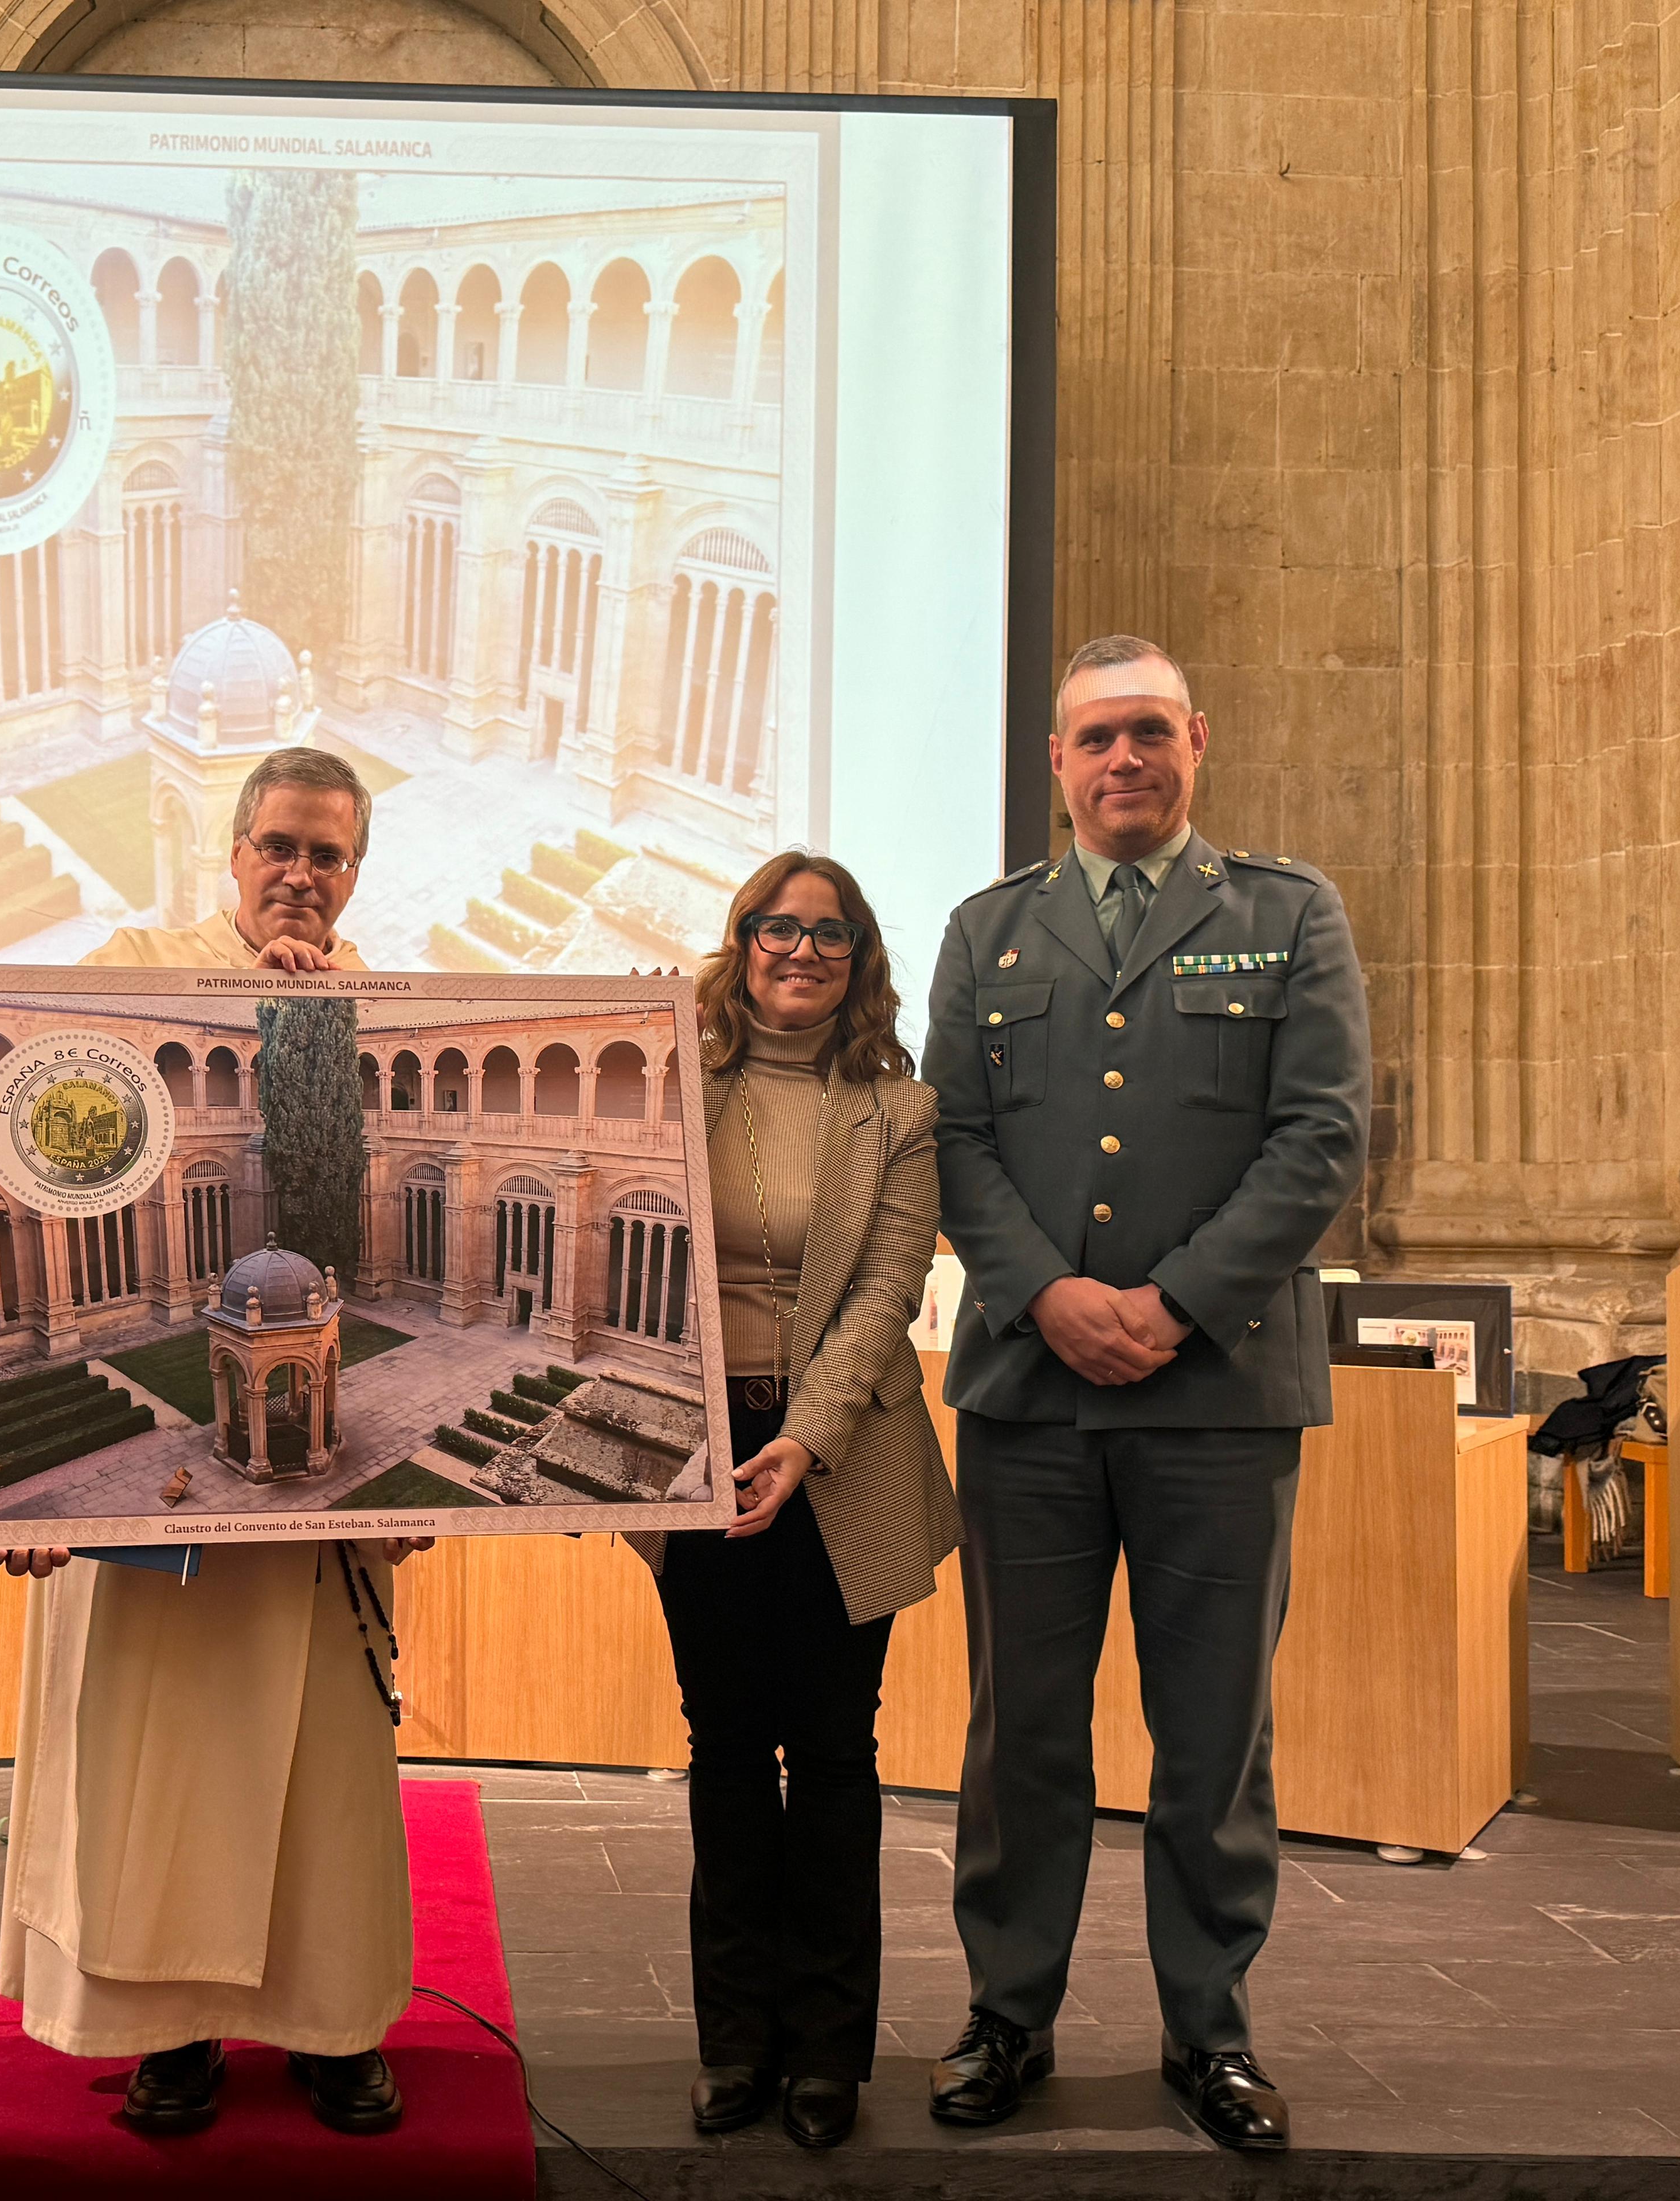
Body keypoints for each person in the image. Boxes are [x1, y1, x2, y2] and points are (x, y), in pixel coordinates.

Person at [920, 636, 1369, 2153]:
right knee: (1023, 1734)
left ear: (1197, 743)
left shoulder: (1287, 915)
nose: (1125, 759)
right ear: (1056, 761)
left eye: (1151, 733)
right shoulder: (988, 931)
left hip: (1218, 1396)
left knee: (1214, 1736)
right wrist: (1047, 1294)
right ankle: (1007, 2016)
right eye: (1098, 737)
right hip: (1030, 1394)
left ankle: (1210, 2033)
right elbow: (953, 1138)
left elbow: (1320, 1136)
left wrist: (1173, 1304)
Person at [0, 747, 428, 2139]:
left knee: (324, 1766)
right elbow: (66, 1156)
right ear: (233, 852)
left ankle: (331, 2024)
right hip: (171, 1504)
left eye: (328, 855)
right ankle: (166, 2030)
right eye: (279, 846)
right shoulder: (132, 970)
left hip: (314, 1461)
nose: (301, 874)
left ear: (356, 872)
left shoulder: (391, 1007)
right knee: (161, 1760)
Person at [625, 852, 958, 2153]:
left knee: (829, 1751)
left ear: (858, 957)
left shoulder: (901, 1112)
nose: (801, 951)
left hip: (840, 1455)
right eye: (778, 927)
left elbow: (886, 1292)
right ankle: (734, 2043)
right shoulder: (672, 1084)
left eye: (829, 933)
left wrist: (804, 1438)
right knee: (722, 1745)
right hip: (696, 1449)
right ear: (743, 940)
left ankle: (826, 2052)